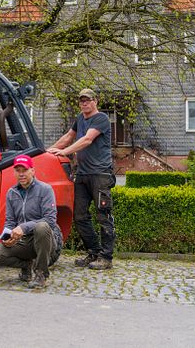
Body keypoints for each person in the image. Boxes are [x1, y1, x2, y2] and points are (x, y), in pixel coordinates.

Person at [47, 88, 115, 270]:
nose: (84, 103)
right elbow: (68, 137)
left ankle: (106, 258)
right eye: (81, 101)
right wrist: (47, 153)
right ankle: (94, 252)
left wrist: (64, 152)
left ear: (95, 101)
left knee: (103, 215)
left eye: (87, 100)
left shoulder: (101, 119)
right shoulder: (80, 118)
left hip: (100, 174)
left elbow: (86, 140)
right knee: (79, 215)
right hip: (82, 174)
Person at [0, 155, 60, 289]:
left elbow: (50, 221)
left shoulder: (45, 189)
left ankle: (41, 275)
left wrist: (23, 227)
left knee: (42, 227)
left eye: (24, 170)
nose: (21, 174)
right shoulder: (11, 193)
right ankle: (27, 266)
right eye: (18, 170)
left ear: (32, 171)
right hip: (23, 242)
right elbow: (10, 221)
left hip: (45, 241)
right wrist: (6, 236)